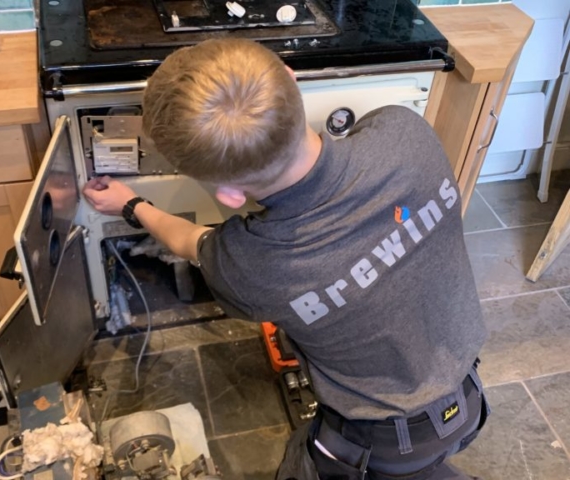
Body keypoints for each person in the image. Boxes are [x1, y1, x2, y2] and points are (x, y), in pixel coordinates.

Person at [83, 38, 489, 480]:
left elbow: (188, 240)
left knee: (301, 466)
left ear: (230, 195)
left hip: (379, 444)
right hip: (468, 397)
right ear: (293, 82)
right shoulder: (405, 132)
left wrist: (132, 205)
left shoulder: (249, 266)